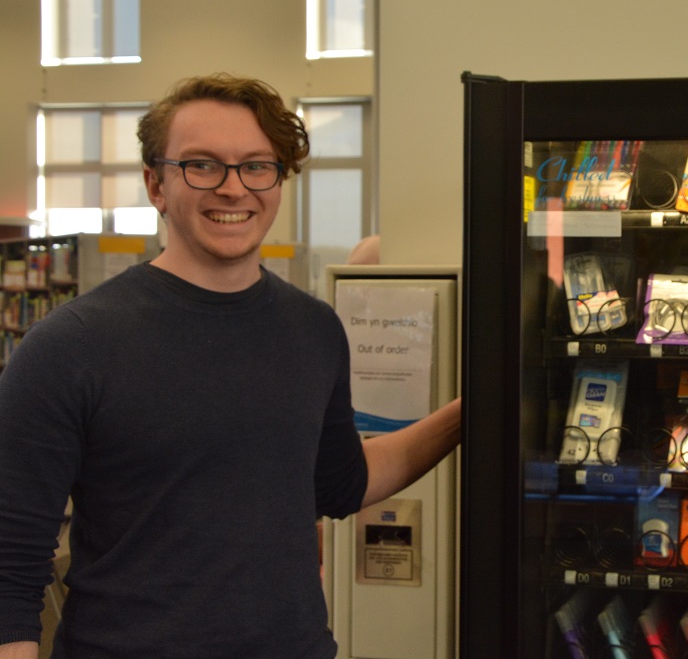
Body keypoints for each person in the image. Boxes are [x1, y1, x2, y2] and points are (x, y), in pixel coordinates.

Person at [0, 74, 462, 658]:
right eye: (202, 165)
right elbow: (10, 565)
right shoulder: (70, 346)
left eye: (256, 166)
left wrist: (472, 411)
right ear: (156, 184)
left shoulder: (315, 329)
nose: (232, 187)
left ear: (278, 180)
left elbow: (341, 483)